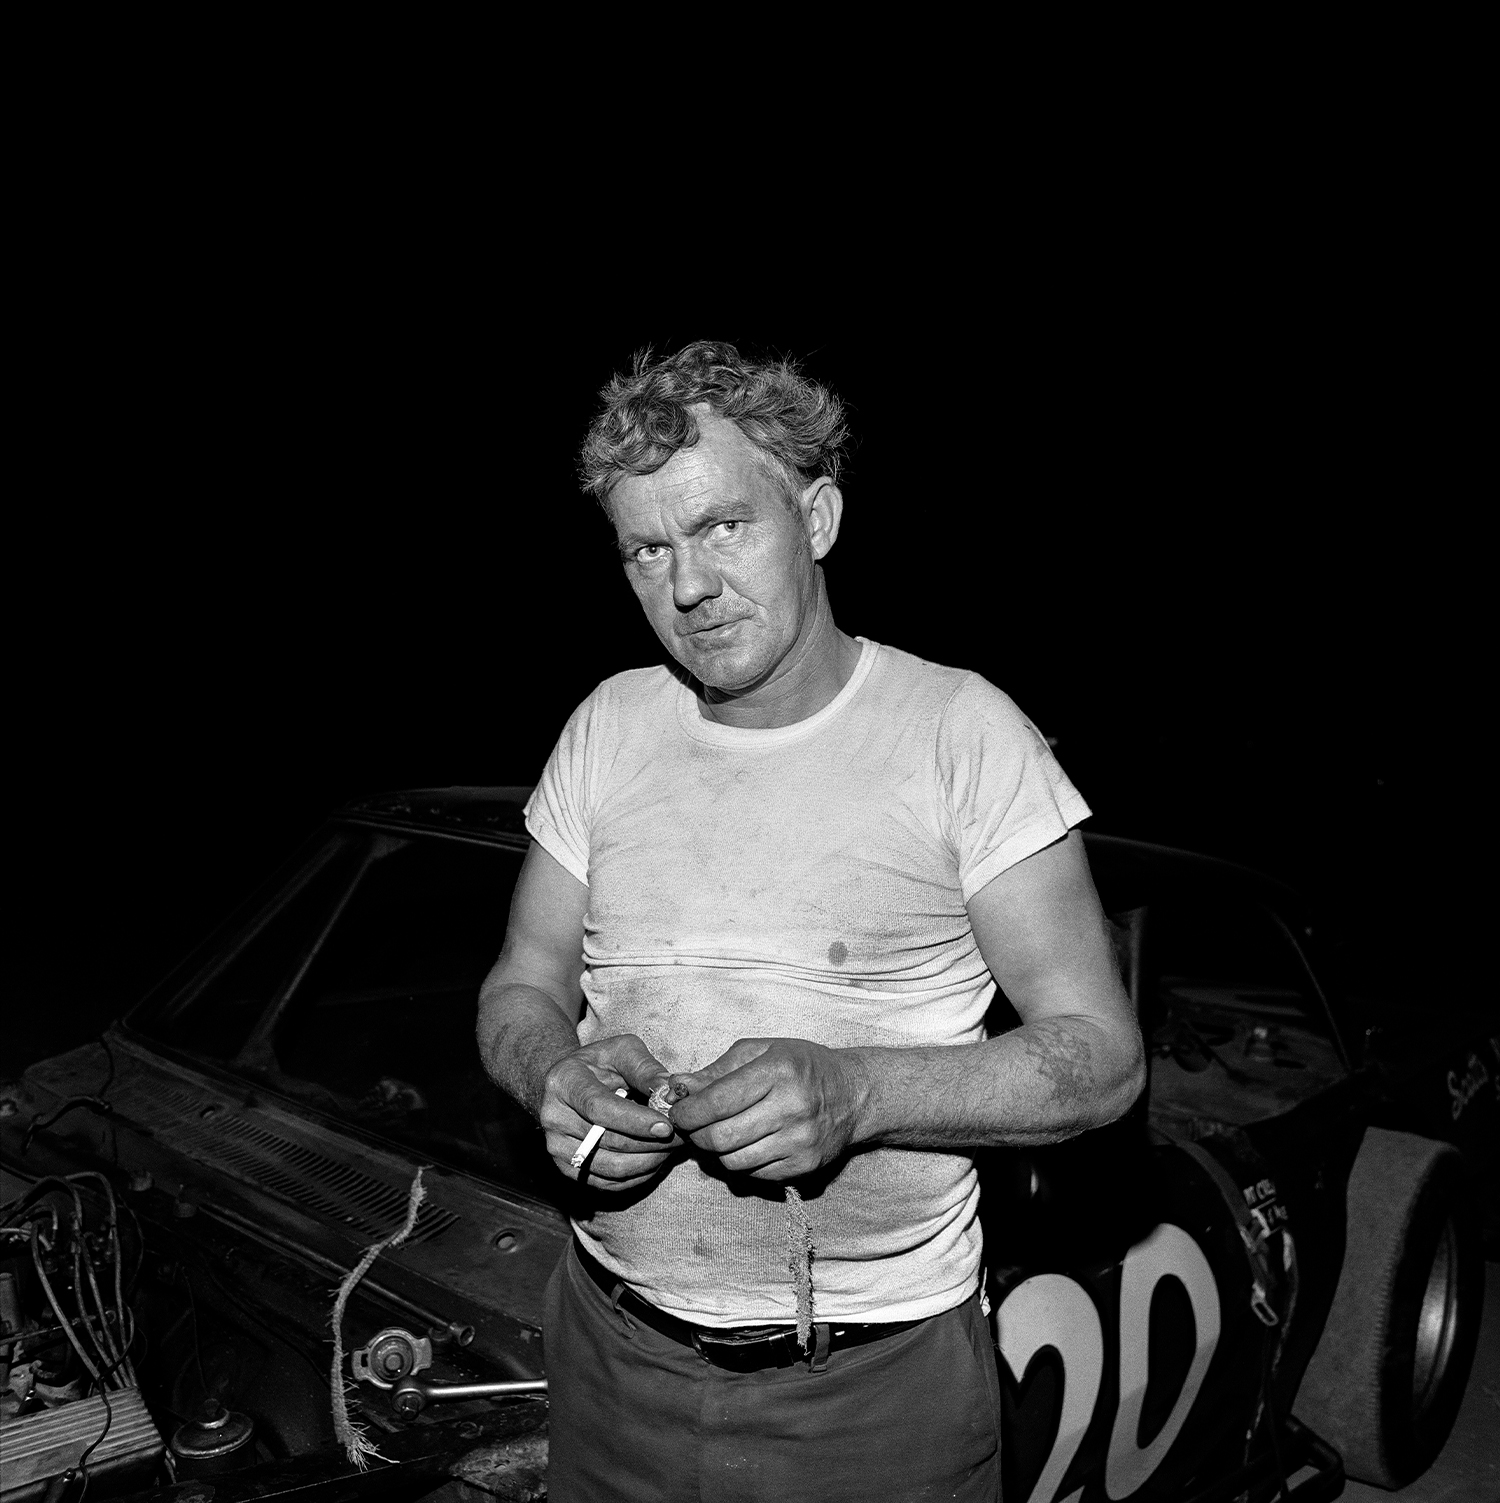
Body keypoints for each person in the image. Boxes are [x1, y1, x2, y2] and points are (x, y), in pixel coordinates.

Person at [476, 341, 1145, 1502]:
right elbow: (518, 987)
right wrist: (556, 1074)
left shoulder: (962, 734)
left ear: (818, 516)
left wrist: (860, 1093)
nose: (687, 588)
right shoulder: (606, 726)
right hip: (604, 1349)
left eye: (724, 527)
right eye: (648, 549)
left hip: (868, 1396)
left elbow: (1099, 1062)